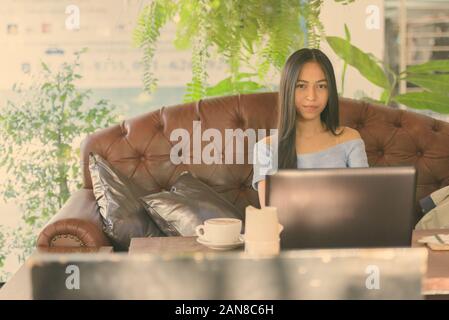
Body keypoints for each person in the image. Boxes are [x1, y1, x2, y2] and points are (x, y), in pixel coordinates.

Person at [252, 48, 369, 207]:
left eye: (321, 86)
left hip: (345, 231)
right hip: (286, 232)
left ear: (330, 91)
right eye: (301, 86)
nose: (312, 96)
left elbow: (364, 202)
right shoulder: (265, 149)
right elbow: (269, 214)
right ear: (288, 89)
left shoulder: (350, 139)